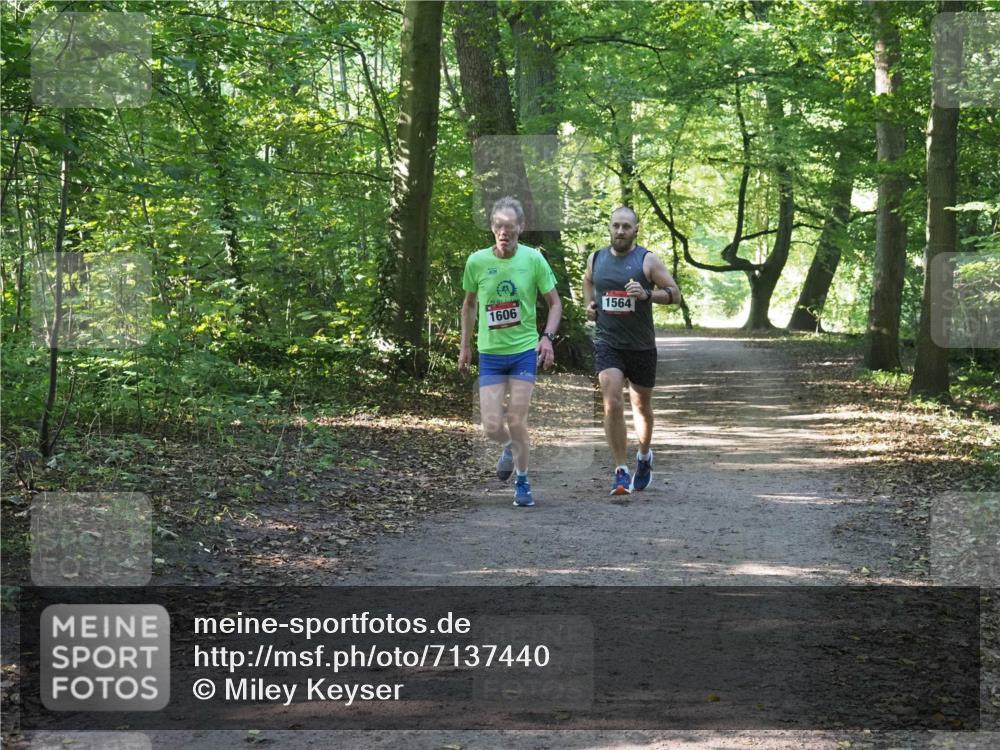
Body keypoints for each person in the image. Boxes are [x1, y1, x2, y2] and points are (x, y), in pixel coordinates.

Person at [459, 196, 562, 507]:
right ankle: (508, 447)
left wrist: (547, 338)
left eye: (511, 228)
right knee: (492, 425)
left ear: (521, 228)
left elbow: (555, 304)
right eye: (499, 227)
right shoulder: (477, 261)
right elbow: (469, 305)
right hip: (490, 353)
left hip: (522, 351)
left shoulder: (534, 260)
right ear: (492, 228)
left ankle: (522, 480)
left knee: (517, 419)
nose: (505, 232)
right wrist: (465, 346)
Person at [583, 206, 681, 495]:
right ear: (610, 227)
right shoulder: (597, 258)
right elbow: (589, 280)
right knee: (612, 402)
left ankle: (644, 455)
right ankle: (620, 470)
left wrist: (648, 294)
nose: (620, 231)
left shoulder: (647, 260)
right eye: (616, 226)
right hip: (608, 342)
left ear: (636, 229)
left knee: (641, 407)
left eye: (626, 226)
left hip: (640, 346)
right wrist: (590, 305)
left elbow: (675, 294)